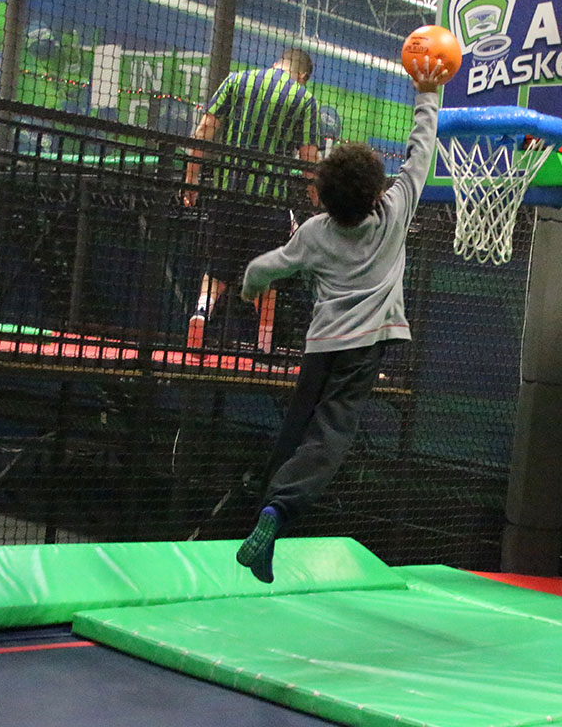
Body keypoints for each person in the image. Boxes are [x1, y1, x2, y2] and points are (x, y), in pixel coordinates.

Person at [235, 57, 448, 583]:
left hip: (320, 345)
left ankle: (262, 514)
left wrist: (249, 286)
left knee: (298, 427)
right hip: (363, 348)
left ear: (324, 197)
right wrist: (428, 91)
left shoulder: (314, 231)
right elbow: (421, 152)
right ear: (377, 189)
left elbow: (268, 266)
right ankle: (277, 512)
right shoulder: (395, 211)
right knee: (331, 433)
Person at [183, 48, 320, 351]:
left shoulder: (237, 81)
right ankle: (264, 343)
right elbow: (309, 157)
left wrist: (191, 177)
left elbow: (204, 130)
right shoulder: (303, 98)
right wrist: (316, 200)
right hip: (270, 200)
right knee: (267, 274)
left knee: (217, 266)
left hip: (226, 192)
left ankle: (202, 310)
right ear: (303, 76)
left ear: (276, 63)